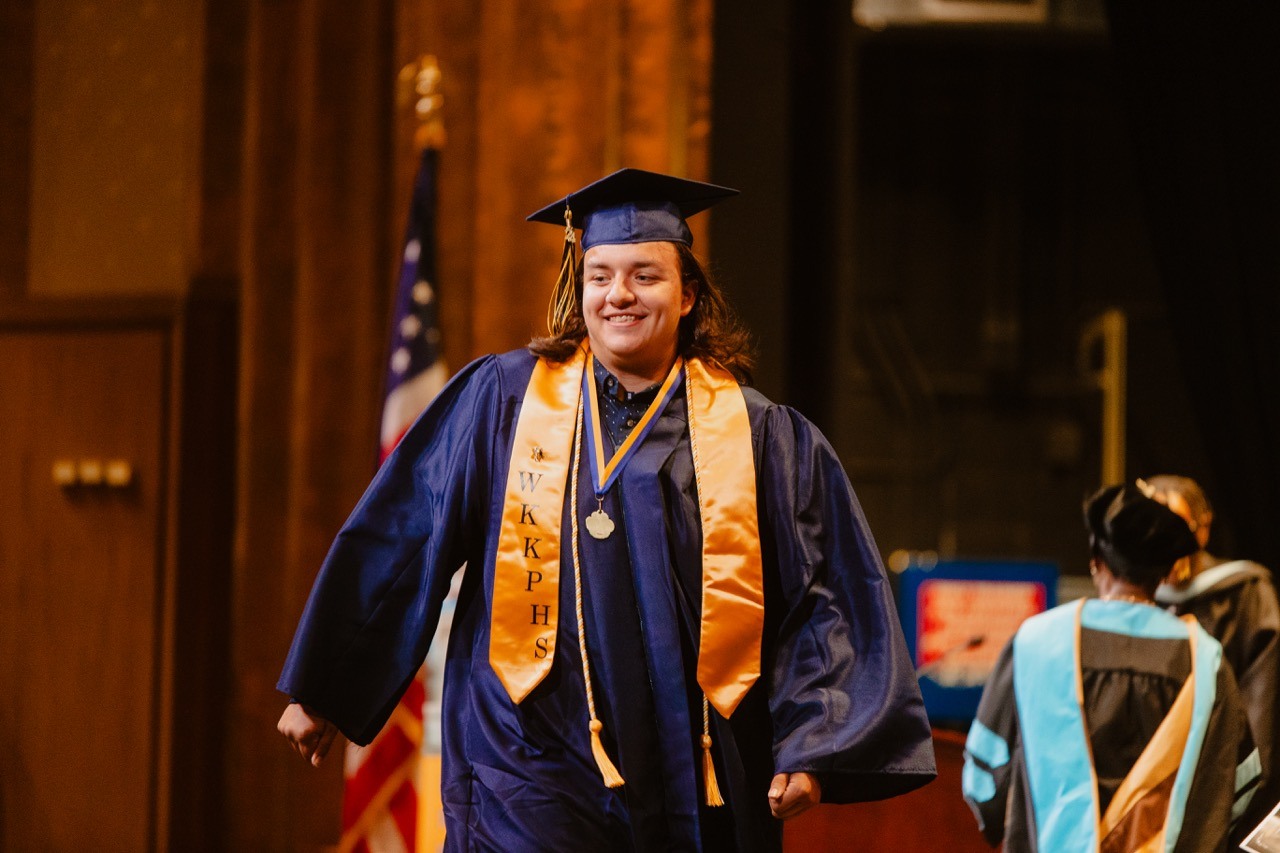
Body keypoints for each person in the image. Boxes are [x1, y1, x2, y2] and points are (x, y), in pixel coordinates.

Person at [276, 169, 936, 851]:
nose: (619, 294)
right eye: (601, 276)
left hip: (693, 771)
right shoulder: (501, 403)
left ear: (688, 295)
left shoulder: (759, 435)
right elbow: (404, 534)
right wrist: (325, 685)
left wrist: (813, 742)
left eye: (645, 276)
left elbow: (821, 598)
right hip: (526, 765)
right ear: (580, 288)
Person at [963, 482, 1260, 852]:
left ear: (1096, 562)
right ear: (1164, 572)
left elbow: (984, 784)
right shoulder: (1206, 661)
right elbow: (1238, 788)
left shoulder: (1037, 643)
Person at [1143, 474, 1280, 840]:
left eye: (1175, 529)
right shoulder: (1137, 601)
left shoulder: (1246, 593)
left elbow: (1262, 712)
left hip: (1223, 785)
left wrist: (1240, 802)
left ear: (1202, 530)